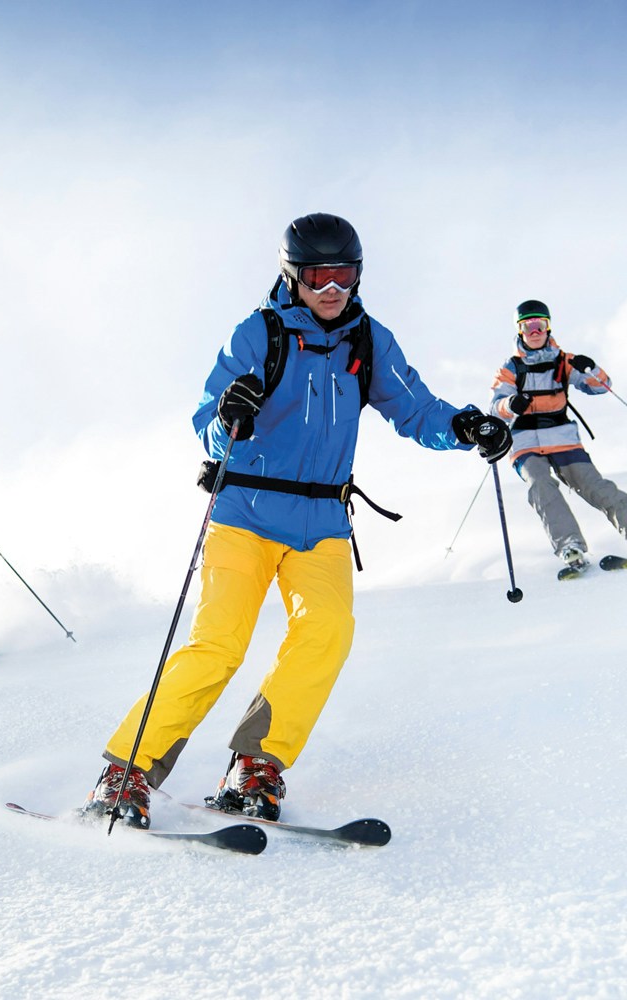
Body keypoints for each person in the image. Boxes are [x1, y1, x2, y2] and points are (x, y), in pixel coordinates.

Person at [81, 213, 512, 828]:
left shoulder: (369, 340)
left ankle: (255, 765)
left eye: (344, 275)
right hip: (244, 514)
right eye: (318, 276)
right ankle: (126, 769)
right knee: (219, 644)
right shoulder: (259, 333)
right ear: (294, 275)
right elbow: (208, 419)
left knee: (328, 632)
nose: (332, 290)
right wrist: (230, 411)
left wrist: (466, 427)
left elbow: (415, 409)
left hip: (323, 521)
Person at [490, 299, 627, 578]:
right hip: (524, 442)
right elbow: (495, 407)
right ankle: (570, 547)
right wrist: (511, 405)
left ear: (548, 327)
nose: (535, 331)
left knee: (594, 485)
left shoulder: (564, 361)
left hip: (562, 437)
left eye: (540, 324)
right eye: (528, 326)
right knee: (541, 486)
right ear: (520, 331)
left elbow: (601, 387)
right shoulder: (510, 368)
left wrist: (592, 369)